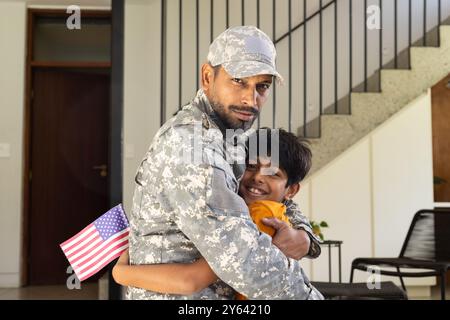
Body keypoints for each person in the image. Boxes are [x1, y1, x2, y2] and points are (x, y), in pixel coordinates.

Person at [127, 25, 321, 300]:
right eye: (239, 81)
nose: (250, 99)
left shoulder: (230, 137)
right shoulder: (191, 146)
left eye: (261, 86)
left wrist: (303, 235)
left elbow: (278, 196)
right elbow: (245, 261)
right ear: (208, 76)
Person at [114, 128, 323, 299]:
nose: (258, 177)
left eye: (273, 173)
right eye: (251, 166)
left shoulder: (260, 218)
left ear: (291, 190)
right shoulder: (242, 202)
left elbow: (191, 280)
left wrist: (121, 273)